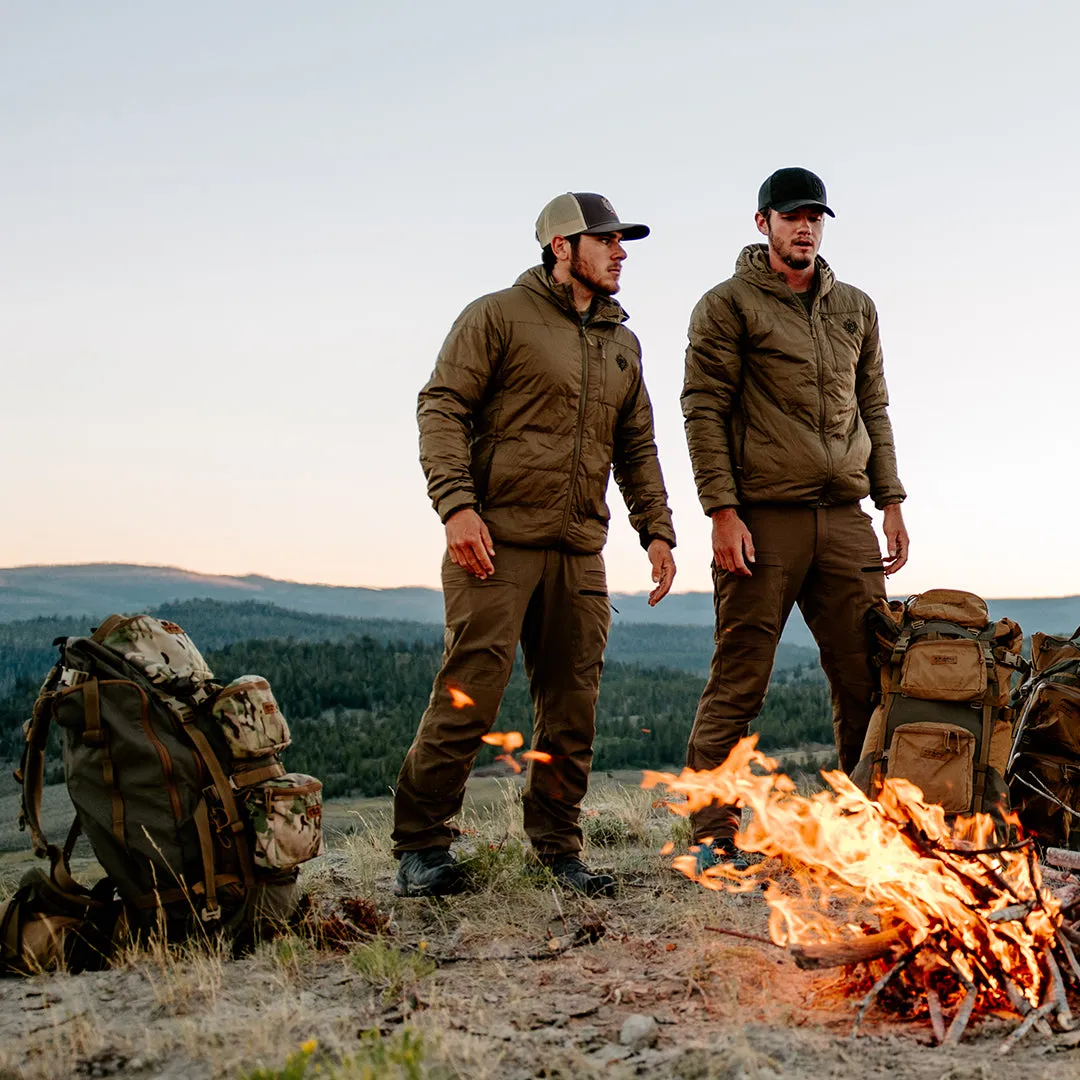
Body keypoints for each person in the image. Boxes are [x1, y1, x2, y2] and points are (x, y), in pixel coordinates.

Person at [393, 192, 677, 898]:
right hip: (494, 542)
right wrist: (457, 507)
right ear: (560, 246)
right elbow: (442, 407)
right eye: (606, 239)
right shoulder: (495, 316)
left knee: (572, 709)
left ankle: (559, 851)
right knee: (471, 698)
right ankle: (422, 849)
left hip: (579, 550)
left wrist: (658, 529)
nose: (620, 252)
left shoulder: (622, 342)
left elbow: (636, 447)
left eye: (622, 241)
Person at [681, 167, 909, 860]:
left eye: (814, 216)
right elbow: (704, 410)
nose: (804, 227)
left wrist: (891, 500)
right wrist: (722, 511)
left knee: (868, 673)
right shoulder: (726, 306)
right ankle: (713, 838)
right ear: (764, 224)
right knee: (741, 675)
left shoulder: (856, 308)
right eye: (790, 216)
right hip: (763, 518)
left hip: (845, 515)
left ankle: (870, 830)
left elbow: (875, 406)